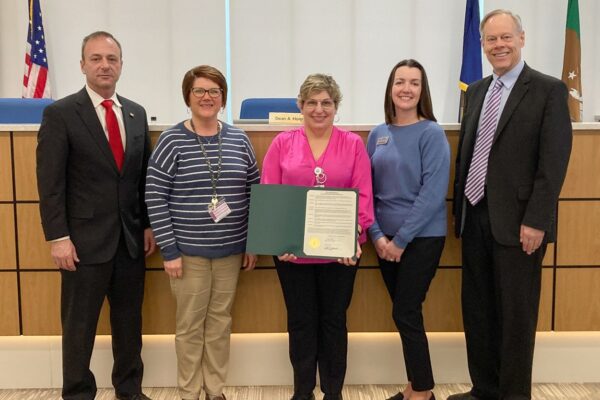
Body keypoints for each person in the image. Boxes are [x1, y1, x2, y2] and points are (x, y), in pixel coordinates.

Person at [450, 9, 572, 400]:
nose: (498, 45)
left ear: (522, 39)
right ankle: (484, 388)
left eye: (506, 37)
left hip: (520, 224)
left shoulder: (548, 90)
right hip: (476, 216)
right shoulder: (478, 91)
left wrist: (537, 219)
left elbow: (552, 163)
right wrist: (460, 214)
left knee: (516, 317)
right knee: (479, 311)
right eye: (491, 39)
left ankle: (514, 394)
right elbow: (468, 155)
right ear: (482, 45)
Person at [36, 31, 156, 400]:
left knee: (128, 324)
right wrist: (58, 238)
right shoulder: (60, 113)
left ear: (121, 64)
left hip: (130, 241)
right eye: (96, 59)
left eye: (112, 59)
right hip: (82, 243)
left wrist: (148, 224)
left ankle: (129, 389)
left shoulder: (135, 113)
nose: (105, 65)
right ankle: (77, 393)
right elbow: (50, 182)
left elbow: (142, 177)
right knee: (79, 327)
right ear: (83, 64)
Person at [145, 65, 260, 400]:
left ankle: (214, 389)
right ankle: (190, 392)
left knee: (220, 324)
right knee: (190, 328)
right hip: (187, 255)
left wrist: (253, 241)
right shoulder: (171, 139)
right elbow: (155, 194)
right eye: (200, 91)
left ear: (223, 98)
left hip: (230, 252)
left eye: (214, 91)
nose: (207, 97)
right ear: (188, 97)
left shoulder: (238, 138)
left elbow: (253, 190)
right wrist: (169, 251)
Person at [261, 73, 374, 400]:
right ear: (300, 105)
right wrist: (279, 240)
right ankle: (302, 391)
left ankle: (333, 392)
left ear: (336, 107)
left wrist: (353, 237)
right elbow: (271, 194)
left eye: (326, 102)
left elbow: (363, 196)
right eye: (311, 102)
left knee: (333, 323)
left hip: (340, 254)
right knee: (300, 322)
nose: (319, 109)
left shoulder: (352, 144)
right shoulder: (282, 143)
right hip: (292, 253)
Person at [368, 59, 449, 400]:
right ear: (390, 88)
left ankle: (423, 391)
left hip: (421, 239)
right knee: (404, 313)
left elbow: (432, 194)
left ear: (422, 90)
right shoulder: (378, 134)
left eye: (414, 83)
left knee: (406, 310)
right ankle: (417, 386)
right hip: (384, 242)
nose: (406, 88)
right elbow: (365, 190)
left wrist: (400, 241)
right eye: (399, 81)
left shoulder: (431, 133)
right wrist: (377, 236)